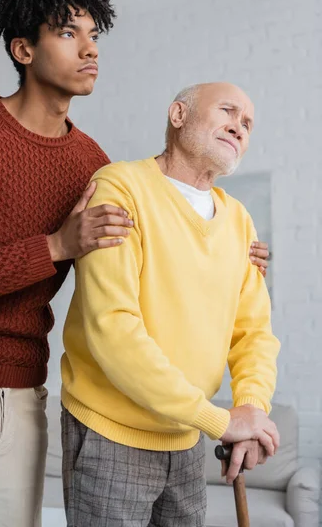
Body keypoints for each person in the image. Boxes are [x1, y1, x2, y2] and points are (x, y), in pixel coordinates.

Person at [0, 0, 268, 525]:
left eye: (94, 37)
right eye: (68, 33)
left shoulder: (92, 163)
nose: (90, 50)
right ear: (23, 49)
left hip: (28, 389)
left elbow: (147, 260)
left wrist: (233, 254)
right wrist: (54, 246)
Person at [60, 82, 280, 527]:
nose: (239, 127)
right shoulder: (119, 187)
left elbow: (252, 333)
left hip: (185, 440)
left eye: (248, 124)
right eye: (228, 111)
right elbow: (114, 329)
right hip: (111, 434)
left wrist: (252, 411)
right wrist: (219, 421)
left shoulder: (239, 221)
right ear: (178, 115)